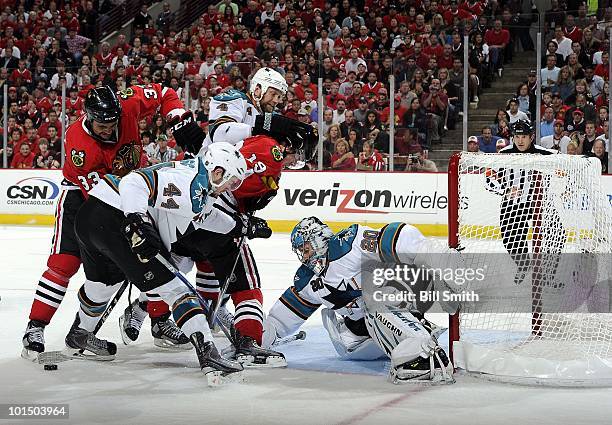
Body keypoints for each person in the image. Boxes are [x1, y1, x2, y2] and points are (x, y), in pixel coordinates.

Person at [21, 85, 191, 360]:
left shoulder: (129, 105)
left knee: (155, 254)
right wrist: (124, 230)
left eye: (112, 123)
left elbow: (164, 92)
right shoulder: (80, 144)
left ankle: (159, 323)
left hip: (135, 190)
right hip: (85, 198)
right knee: (65, 262)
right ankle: (35, 327)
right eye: (102, 125)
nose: (108, 130)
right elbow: (99, 198)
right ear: (88, 117)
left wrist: (177, 117)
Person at [67, 143, 248, 380]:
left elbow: (205, 216)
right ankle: (208, 353)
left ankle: (79, 334)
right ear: (217, 171)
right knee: (177, 290)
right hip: (116, 219)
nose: (230, 188)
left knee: (102, 285)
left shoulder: (199, 184)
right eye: (232, 181)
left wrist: (240, 225)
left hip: (92, 215)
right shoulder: (189, 181)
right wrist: (137, 221)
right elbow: (135, 182)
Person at [262, 217, 455, 384]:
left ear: (319, 240)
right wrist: (255, 338)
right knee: (347, 346)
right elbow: (279, 320)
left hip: (399, 297)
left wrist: (430, 253)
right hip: (363, 327)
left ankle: (421, 351)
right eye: (301, 252)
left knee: (373, 300)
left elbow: (394, 237)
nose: (304, 258)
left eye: (306, 249)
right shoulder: (307, 280)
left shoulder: (348, 243)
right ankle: (411, 334)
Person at [490, 120, 562, 286]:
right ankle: (523, 265)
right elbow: (488, 177)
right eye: (517, 137)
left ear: (531, 137)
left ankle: (548, 274)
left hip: (539, 203)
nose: (520, 141)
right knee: (510, 239)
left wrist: (564, 181)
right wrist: (505, 191)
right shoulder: (504, 154)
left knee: (557, 234)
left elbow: (565, 166)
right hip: (512, 204)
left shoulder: (545, 153)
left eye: (524, 137)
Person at [192, 67, 314, 159]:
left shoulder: (264, 114)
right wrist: (263, 126)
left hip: (233, 182)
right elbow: (220, 134)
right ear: (257, 89)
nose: (276, 101)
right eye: (273, 94)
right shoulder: (234, 98)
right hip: (206, 175)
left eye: (279, 96)